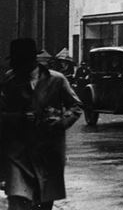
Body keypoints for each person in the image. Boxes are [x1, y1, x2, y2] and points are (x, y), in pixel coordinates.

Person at [0, 38, 83, 210]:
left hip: (48, 150)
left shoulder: (57, 80)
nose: (16, 68)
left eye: (20, 62)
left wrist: (60, 122)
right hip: (18, 152)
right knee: (17, 200)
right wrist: (18, 117)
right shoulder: (9, 80)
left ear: (32, 61)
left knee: (45, 201)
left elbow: (76, 106)